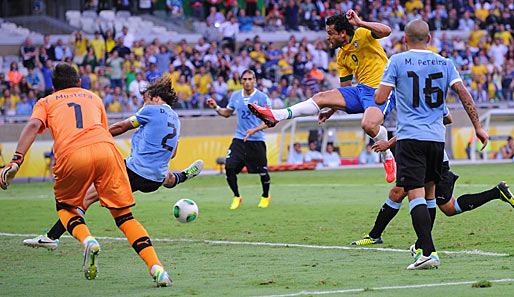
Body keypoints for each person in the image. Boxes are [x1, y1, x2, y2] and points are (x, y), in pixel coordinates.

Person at [0, 63, 174, 286]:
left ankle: (87, 240)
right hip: (108, 152)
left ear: (53, 87)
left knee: (66, 208)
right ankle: (157, 269)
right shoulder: (94, 97)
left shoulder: (47, 101)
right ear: (80, 83)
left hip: (73, 154)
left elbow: (33, 125)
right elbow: (103, 128)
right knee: (124, 217)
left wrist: (16, 159)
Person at [23, 75, 203, 251]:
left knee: (85, 197)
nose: (143, 105)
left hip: (134, 171)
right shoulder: (176, 120)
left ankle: (50, 237)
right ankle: (182, 176)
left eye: (146, 100)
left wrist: (96, 136)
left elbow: (122, 127)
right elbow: (173, 154)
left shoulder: (151, 110)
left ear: (156, 98)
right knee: (166, 176)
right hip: (155, 179)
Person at [374, 20, 488, 270]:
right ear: (429, 38)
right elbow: (464, 94)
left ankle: (428, 252)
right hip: (437, 140)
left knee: (414, 196)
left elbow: (380, 98)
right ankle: (425, 249)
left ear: (405, 39)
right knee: (428, 197)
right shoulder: (445, 63)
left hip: (410, 139)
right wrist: (478, 127)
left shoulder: (397, 60)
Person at [248, 11, 397, 183]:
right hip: (360, 90)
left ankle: (387, 155)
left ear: (343, 33)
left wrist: (359, 22)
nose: (327, 37)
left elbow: (387, 31)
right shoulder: (341, 55)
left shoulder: (362, 33)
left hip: (381, 89)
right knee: (322, 96)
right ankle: (277, 115)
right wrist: (331, 110)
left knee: (368, 125)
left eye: (330, 33)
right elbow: (345, 89)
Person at [351, 137, 514, 248]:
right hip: (428, 154)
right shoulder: (429, 97)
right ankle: (497, 192)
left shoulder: (417, 98)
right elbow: (446, 117)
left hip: (427, 157)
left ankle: (423, 246)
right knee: (446, 206)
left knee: (412, 194)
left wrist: (388, 143)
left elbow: (411, 127)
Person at [206, 70, 272, 210]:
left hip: (257, 139)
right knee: (229, 167)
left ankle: (265, 196)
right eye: (244, 79)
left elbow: (270, 120)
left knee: (263, 172)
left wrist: (254, 130)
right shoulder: (236, 96)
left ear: (254, 80)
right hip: (240, 139)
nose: (247, 82)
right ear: (241, 81)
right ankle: (237, 196)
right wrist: (216, 108)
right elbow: (227, 113)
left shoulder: (262, 97)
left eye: (250, 79)